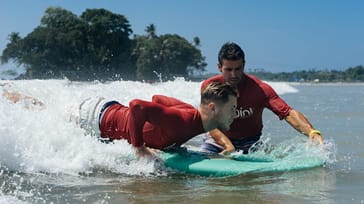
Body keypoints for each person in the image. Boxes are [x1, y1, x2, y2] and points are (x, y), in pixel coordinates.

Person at [2, 82, 238, 159]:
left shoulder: (193, 116)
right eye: (232, 109)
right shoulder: (182, 119)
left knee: (45, 110)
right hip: (91, 119)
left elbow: (157, 98)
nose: (235, 113)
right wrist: (139, 147)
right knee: (42, 112)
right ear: (213, 108)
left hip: (105, 109)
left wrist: (227, 145)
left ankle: (10, 94)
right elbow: (137, 105)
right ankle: (7, 95)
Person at [200, 42, 324, 155]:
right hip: (218, 140)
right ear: (219, 67)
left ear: (244, 65)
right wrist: (227, 145)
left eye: (238, 69)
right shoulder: (210, 87)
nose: (234, 75)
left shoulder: (260, 89)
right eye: (228, 69)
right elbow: (208, 121)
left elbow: (287, 112)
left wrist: (312, 132)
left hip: (249, 142)